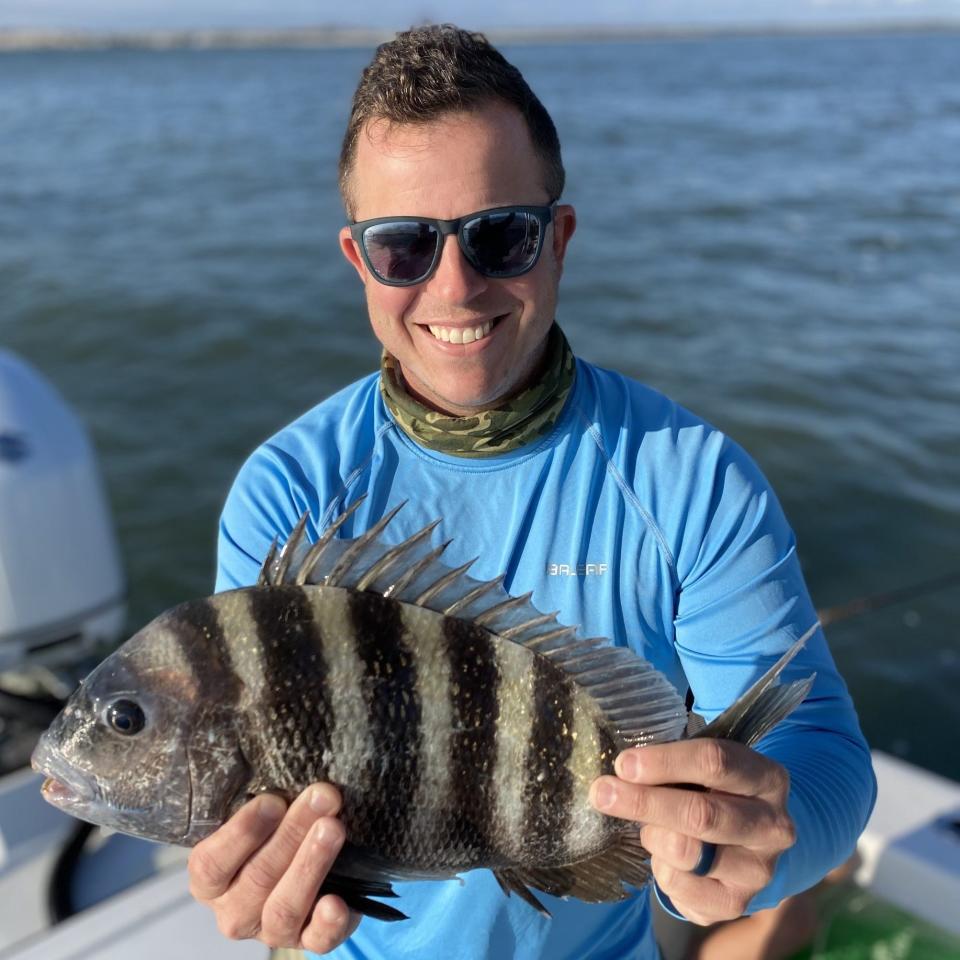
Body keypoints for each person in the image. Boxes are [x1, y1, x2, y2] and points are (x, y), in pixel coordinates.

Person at [186, 24, 876, 960]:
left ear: (558, 239)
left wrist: (749, 843)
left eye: (499, 235)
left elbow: (825, 752)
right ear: (358, 261)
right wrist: (260, 891)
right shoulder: (290, 493)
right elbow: (267, 813)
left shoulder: (688, 477)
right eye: (404, 248)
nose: (457, 286)